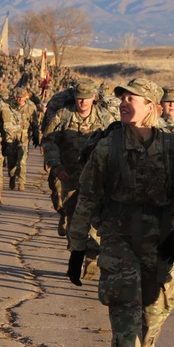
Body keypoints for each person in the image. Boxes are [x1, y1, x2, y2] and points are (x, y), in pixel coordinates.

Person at [66, 78, 174, 347]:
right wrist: (78, 247)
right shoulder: (107, 147)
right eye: (122, 98)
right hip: (118, 236)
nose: (124, 103)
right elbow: (88, 197)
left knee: (155, 310)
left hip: (161, 240)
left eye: (132, 99)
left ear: (151, 108)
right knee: (125, 305)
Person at [42, 78, 114, 237]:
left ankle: (89, 259)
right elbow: (49, 141)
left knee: (95, 222)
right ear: (74, 97)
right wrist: (56, 165)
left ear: (93, 97)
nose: (83, 101)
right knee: (72, 215)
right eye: (79, 97)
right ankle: (75, 248)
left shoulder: (104, 118)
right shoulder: (63, 115)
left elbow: (114, 144)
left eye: (86, 98)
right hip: (69, 174)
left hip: (96, 177)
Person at [8, 88, 39, 191]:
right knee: (11, 161)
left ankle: (21, 182)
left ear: (25, 98)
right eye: (17, 97)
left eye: (21, 98)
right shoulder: (10, 106)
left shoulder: (30, 108)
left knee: (22, 161)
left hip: (24, 138)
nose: (19, 100)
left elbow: (34, 123)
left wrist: (36, 136)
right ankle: (12, 176)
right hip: (11, 137)